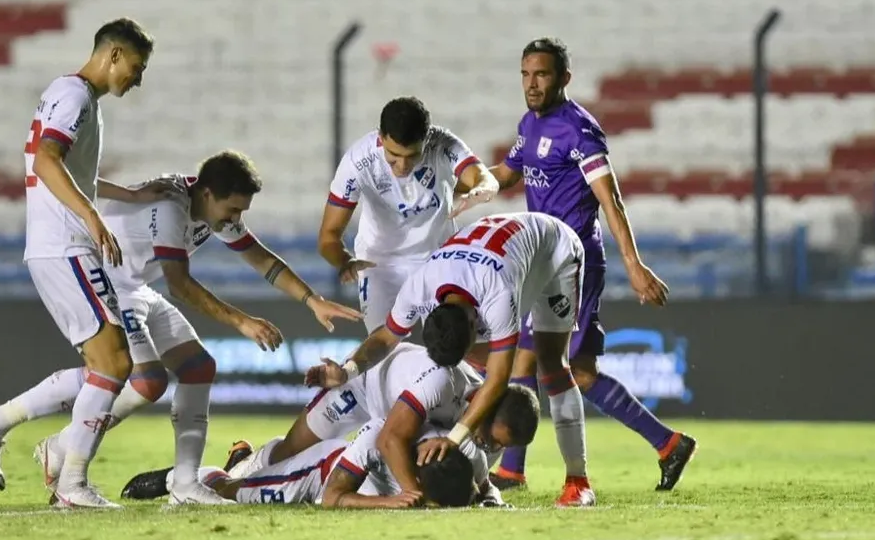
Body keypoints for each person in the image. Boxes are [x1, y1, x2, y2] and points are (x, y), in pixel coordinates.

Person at [15, 151, 359, 505]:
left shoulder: (210, 210)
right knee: (143, 379)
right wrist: (242, 321)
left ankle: (184, 485)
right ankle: (61, 456)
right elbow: (179, 284)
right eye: (234, 210)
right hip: (110, 284)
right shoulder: (170, 208)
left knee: (198, 368)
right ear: (208, 194)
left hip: (135, 288)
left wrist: (312, 300)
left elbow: (261, 258)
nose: (236, 220)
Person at [0, 18, 176, 508]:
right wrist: (93, 218)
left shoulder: (77, 98)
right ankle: (71, 485)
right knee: (118, 364)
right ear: (114, 55)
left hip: (58, 246)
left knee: (112, 368)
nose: (137, 80)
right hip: (65, 246)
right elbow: (46, 160)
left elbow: (72, 171)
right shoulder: (76, 96)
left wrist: (131, 194)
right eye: (137, 68)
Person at [485, 38, 695, 492]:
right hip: (542, 264)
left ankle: (513, 471)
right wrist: (463, 191)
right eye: (525, 74)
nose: (532, 83)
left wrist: (634, 265)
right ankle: (668, 443)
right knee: (558, 368)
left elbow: (610, 198)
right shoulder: (531, 123)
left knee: (545, 364)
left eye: (541, 74)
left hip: (573, 265)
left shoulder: (579, 130)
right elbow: (508, 171)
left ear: (564, 78)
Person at [305, 211, 596, 507]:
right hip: (485, 259)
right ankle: (487, 435)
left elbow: (498, 379)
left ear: (475, 323)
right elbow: (385, 338)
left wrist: (455, 438)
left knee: (552, 364)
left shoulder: (498, 295)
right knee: (470, 376)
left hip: (554, 250)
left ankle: (578, 481)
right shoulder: (420, 286)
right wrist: (348, 370)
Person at [121, 387, 542, 509]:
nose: (489, 446)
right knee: (232, 496)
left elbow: (484, 488)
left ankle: (246, 459)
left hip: (370, 469)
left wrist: (493, 500)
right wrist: (392, 501)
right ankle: (196, 476)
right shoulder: (383, 435)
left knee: (261, 468)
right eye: (492, 437)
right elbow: (332, 497)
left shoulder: (469, 449)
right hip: (325, 470)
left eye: (497, 445)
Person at [320, 96, 499, 333]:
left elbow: (485, 179)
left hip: (438, 260)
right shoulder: (358, 162)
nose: (403, 166)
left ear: (427, 139)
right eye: (394, 156)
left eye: (412, 156)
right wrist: (344, 261)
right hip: (379, 264)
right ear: (381, 138)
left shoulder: (443, 144)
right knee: (381, 350)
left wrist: (480, 191)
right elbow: (328, 237)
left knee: (457, 341)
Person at [222, 334, 482, 479]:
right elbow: (391, 438)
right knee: (291, 451)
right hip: (362, 388)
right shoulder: (447, 383)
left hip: (392, 413)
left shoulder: (478, 439)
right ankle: (239, 470)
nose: (491, 447)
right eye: (493, 439)